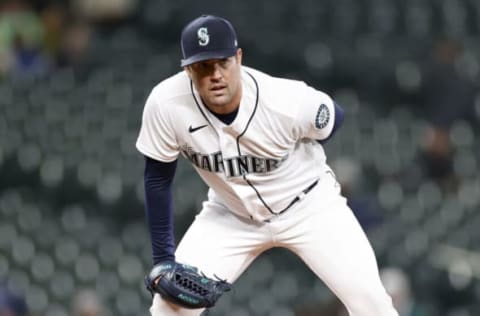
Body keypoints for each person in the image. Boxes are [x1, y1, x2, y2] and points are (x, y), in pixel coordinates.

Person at [136, 14, 398, 316]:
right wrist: (163, 259)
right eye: (204, 66)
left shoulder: (286, 102)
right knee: (167, 309)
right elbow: (157, 179)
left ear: (239, 57)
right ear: (187, 70)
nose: (216, 74)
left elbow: (333, 118)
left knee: (373, 304)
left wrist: (294, 161)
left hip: (310, 206)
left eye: (223, 62)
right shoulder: (166, 104)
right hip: (230, 214)